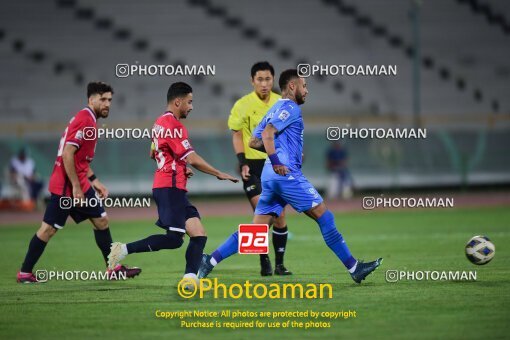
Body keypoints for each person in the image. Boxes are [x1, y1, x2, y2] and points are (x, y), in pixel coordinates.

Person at [199, 70, 382, 283]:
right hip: (284, 174)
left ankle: (209, 261)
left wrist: (281, 152)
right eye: (304, 86)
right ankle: (354, 267)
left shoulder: (274, 108)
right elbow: (267, 135)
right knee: (324, 215)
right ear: (292, 87)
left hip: (269, 176)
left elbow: (254, 142)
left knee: (256, 231)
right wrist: (278, 161)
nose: (307, 90)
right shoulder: (290, 107)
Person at [107, 82, 238, 284]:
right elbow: (192, 158)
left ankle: (190, 278)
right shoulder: (174, 126)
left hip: (171, 185)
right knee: (174, 239)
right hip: (170, 187)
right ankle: (123, 249)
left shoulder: (158, 122)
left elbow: (154, 153)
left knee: (199, 234)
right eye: (189, 102)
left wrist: (179, 165)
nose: (191, 107)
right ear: (178, 101)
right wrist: (218, 173)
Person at [17, 82, 141, 283]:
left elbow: (79, 159)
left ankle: (113, 268)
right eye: (102, 99)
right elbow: (68, 154)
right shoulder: (86, 120)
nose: (107, 103)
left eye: (109, 99)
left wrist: (94, 181)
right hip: (67, 185)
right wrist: (75, 187)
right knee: (48, 229)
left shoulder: (88, 119)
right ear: (91, 99)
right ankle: (24, 273)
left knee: (101, 221)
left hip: (79, 182)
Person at [228, 61, 291, 276]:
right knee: (263, 214)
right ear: (252, 81)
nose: (264, 84)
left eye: (268, 79)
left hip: (274, 165)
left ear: (273, 80)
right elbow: (237, 134)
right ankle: (264, 260)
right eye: (260, 79)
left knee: (280, 216)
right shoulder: (242, 105)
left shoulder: (282, 103)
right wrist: (242, 161)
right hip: (252, 167)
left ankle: (280, 264)